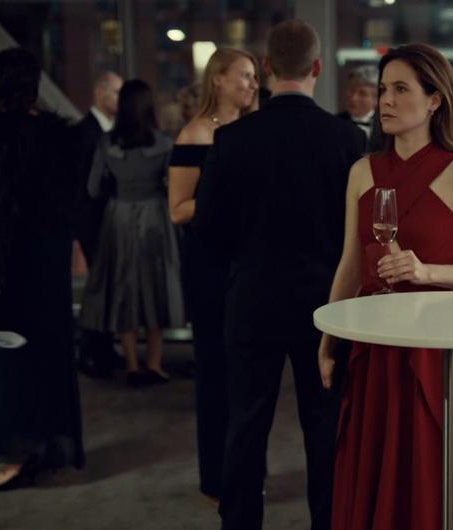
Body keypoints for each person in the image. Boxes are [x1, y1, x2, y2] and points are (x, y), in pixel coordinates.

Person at [320, 43, 453, 529]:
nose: (385, 101)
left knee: (426, 459)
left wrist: (427, 273)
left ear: (434, 100)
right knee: (369, 456)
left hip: (432, 342)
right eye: (383, 90)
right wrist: (328, 339)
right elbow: (352, 265)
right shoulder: (362, 171)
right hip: (371, 340)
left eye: (401, 89)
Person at [194, 19, 365, 530]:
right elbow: (358, 235)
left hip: (252, 299)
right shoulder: (346, 139)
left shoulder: (232, 140)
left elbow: (208, 234)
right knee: (325, 427)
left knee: (245, 427)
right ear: (316, 68)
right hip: (326, 305)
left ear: (267, 68)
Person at [0, 47, 85, 491]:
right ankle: (48, 445)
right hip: (47, 261)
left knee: (7, 362)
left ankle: (16, 457)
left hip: (8, 263)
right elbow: (71, 205)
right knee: (48, 353)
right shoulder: (59, 136)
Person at [168, 47, 258, 503]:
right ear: (218, 80)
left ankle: (244, 473)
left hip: (249, 263)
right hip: (209, 264)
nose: (252, 84)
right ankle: (217, 479)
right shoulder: (196, 133)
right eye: (244, 75)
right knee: (216, 373)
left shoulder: (253, 131)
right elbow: (179, 209)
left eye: (255, 76)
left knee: (248, 375)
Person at [79, 79, 184, 387]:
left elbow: (93, 188)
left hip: (119, 218)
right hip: (155, 218)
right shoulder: (164, 143)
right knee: (157, 286)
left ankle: (132, 365)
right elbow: (172, 185)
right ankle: (155, 364)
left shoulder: (107, 143)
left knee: (124, 289)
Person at [73, 70, 124, 379]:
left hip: (109, 223)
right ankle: (92, 350)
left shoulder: (111, 131)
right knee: (98, 288)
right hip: (93, 225)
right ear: (100, 94)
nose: (121, 99)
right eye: (116, 92)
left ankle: (103, 347)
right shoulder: (84, 133)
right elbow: (81, 188)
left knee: (107, 288)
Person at [337, 65, 379, 145]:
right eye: (351, 91)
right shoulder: (334, 123)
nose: (353, 98)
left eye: (362, 93)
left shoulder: (387, 127)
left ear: (376, 99)